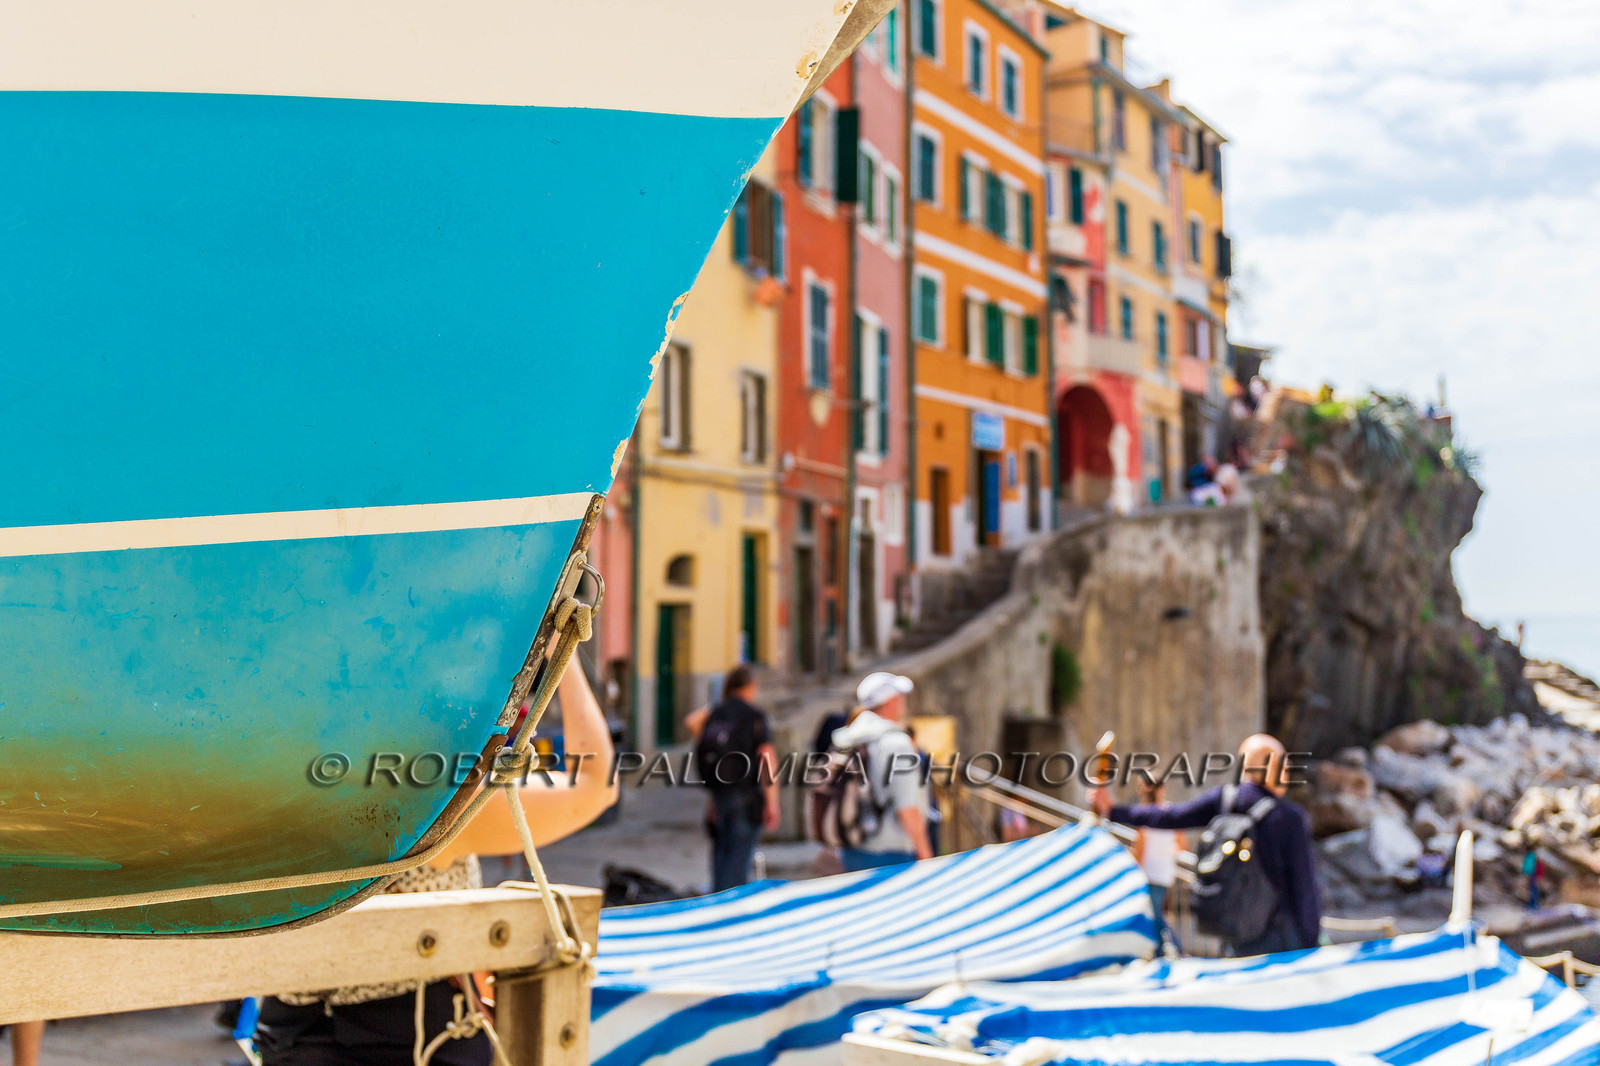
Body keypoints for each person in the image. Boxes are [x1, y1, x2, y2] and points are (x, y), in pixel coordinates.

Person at [257, 650, 618, 1066]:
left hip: (290, 1030)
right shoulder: (425, 803)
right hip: (413, 1033)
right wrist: (563, 651)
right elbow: (596, 785)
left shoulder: (271, 791)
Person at [1091, 734, 1321, 956]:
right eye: (1284, 764)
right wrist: (1312, 939)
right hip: (1281, 938)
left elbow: (1171, 817)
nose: (1288, 772)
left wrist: (1112, 810)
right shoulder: (1290, 817)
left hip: (1235, 934)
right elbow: (1304, 886)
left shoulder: (1225, 800)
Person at [830, 672, 934, 871]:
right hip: (892, 851)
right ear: (891, 701)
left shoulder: (846, 738)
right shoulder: (897, 743)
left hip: (852, 847)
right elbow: (907, 807)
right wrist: (926, 855)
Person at [695, 665, 780, 892]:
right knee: (738, 860)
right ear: (750, 686)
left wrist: (711, 801)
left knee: (722, 856)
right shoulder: (754, 715)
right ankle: (730, 914)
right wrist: (772, 801)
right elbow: (767, 759)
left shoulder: (716, 713)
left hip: (720, 796)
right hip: (747, 796)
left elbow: (691, 723)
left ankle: (717, 906)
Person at [1131, 778, 1183, 954]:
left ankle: (1171, 951)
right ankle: (1164, 952)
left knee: (1156, 917)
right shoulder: (1169, 812)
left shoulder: (1144, 814)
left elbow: (1140, 849)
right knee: (1156, 915)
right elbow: (1182, 844)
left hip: (1149, 873)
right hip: (1165, 873)